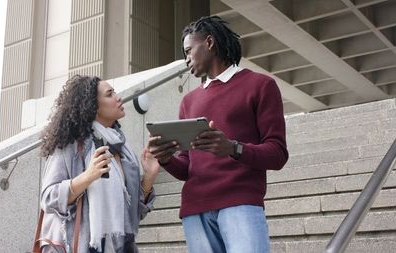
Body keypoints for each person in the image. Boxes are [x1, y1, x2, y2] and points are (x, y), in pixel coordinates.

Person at [148, 16, 288, 253]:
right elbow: (186, 167)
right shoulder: (188, 101)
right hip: (195, 210)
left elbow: (277, 154)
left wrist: (233, 148)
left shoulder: (261, 85)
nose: (186, 60)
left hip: (240, 203)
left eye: (189, 51)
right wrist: (165, 159)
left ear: (209, 43)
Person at [38, 75, 159, 253]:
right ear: (93, 107)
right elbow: (48, 198)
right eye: (109, 94)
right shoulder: (70, 146)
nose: (118, 97)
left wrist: (148, 177)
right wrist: (88, 176)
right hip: (81, 246)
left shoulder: (122, 149)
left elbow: (132, 216)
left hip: (121, 247)